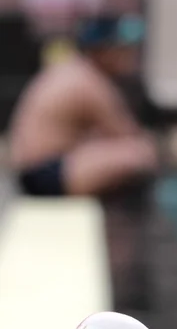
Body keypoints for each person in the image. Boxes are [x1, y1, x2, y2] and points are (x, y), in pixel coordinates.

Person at [9, 15, 158, 196]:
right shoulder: (89, 82)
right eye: (123, 48)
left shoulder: (73, 69)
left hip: (32, 171)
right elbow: (126, 133)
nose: (130, 55)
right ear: (104, 50)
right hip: (44, 175)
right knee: (140, 153)